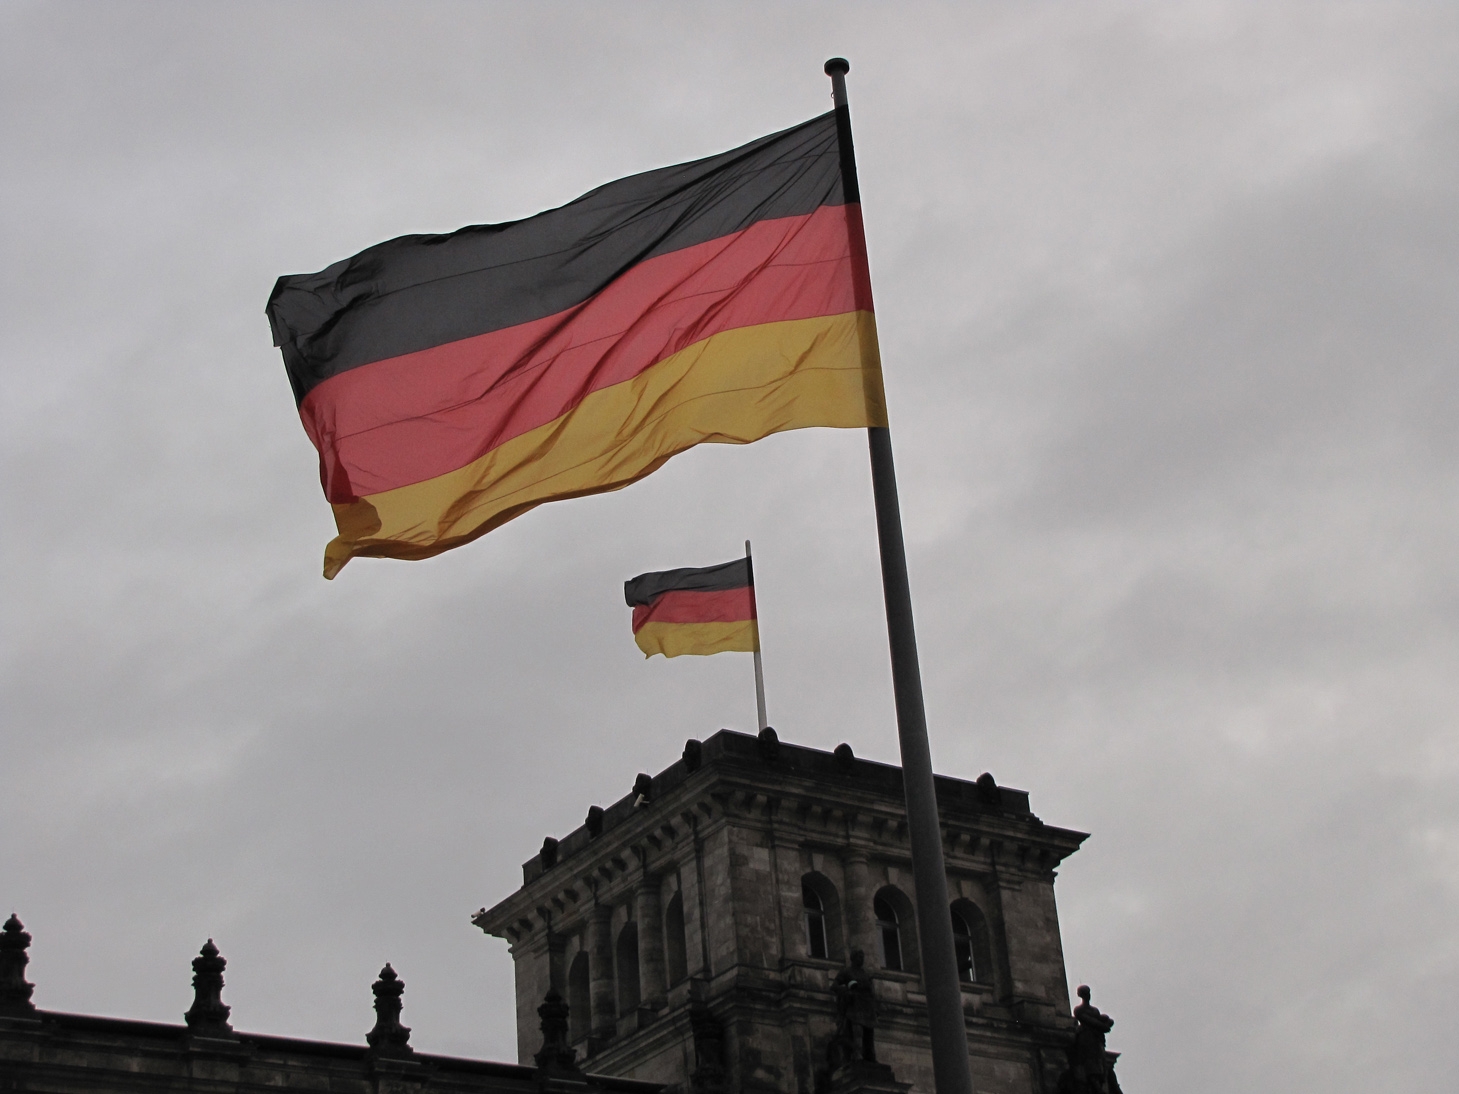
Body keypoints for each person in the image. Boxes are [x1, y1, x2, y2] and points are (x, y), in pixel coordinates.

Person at [832, 949, 879, 1064]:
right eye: (859, 956)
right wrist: (846, 992)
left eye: (862, 956)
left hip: (867, 1006)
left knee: (869, 1033)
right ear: (853, 958)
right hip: (855, 1005)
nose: (861, 959)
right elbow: (834, 986)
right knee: (857, 1031)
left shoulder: (866, 974)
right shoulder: (847, 972)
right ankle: (857, 1053)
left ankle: (870, 1055)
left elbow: (871, 991)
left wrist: (875, 1006)